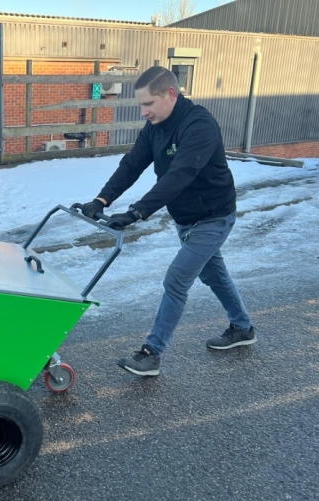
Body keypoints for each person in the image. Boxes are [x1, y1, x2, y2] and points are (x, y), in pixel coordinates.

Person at [75, 66, 256, 377]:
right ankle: (242, 327)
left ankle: (151, 353)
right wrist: (101, 200)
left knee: (176, 280)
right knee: (214, 275)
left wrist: (137, 212)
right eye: (141, 105)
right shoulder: (156, 126)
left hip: (214, 216)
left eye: (149, 104)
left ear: (171, 94)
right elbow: (132, 164)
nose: (144, 112)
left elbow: (179, 175)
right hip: (185, 218)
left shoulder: (199, 125)